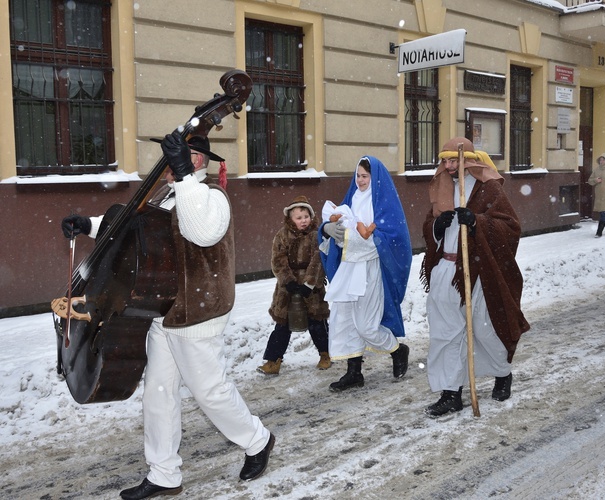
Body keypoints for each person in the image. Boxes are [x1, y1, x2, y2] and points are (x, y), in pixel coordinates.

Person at [61, 131, 274, 500]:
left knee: (211, 392)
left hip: (197, 312)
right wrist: (89, 224)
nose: (168, 164)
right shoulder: (163, 194)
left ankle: (259, 440)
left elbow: (202, 231)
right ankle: (163, 474)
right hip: (160, 309)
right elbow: (130, 230)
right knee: (159, 394)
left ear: (196, 161)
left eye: (179, 156)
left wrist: (185, 177)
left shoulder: (212, 197)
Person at [420, 137, 530, 418]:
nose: (448, 165)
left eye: (453, 160)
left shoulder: (488, 188)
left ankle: (502, 373)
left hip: (477, 271)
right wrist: (437, 226)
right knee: (445, 333)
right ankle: (450, 393)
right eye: (445, 161)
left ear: (468, 160)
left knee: (482, 329)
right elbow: (427, 225)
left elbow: (510, 227)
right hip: (445, 269)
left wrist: (478, 221)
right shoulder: (443, 187)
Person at [318, 156, 411, 391]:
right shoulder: (351, 198)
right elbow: (337, 220)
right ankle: (354, 372)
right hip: (350, 267)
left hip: (371, 268)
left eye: (365, 176)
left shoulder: (384, 203)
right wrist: (327, 229)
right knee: (346, 318)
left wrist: (352, 238)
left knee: (366, 325)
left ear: (375, 178)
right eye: (357, 175)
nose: (359, 181)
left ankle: (397, 349)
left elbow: (394, 237)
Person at [257, 195, 331, 375]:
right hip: (287, 289)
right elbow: (278, 260)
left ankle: (326, 354)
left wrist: (310, 283)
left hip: (311, 288)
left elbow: (318, 259)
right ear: (290, 219)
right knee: (282, 325)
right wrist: (288, 281)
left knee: (317, 322)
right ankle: (273, 360)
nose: (303, 220)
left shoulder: (317, 235)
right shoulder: (282, 235)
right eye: (299, 217)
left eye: (306, 216)